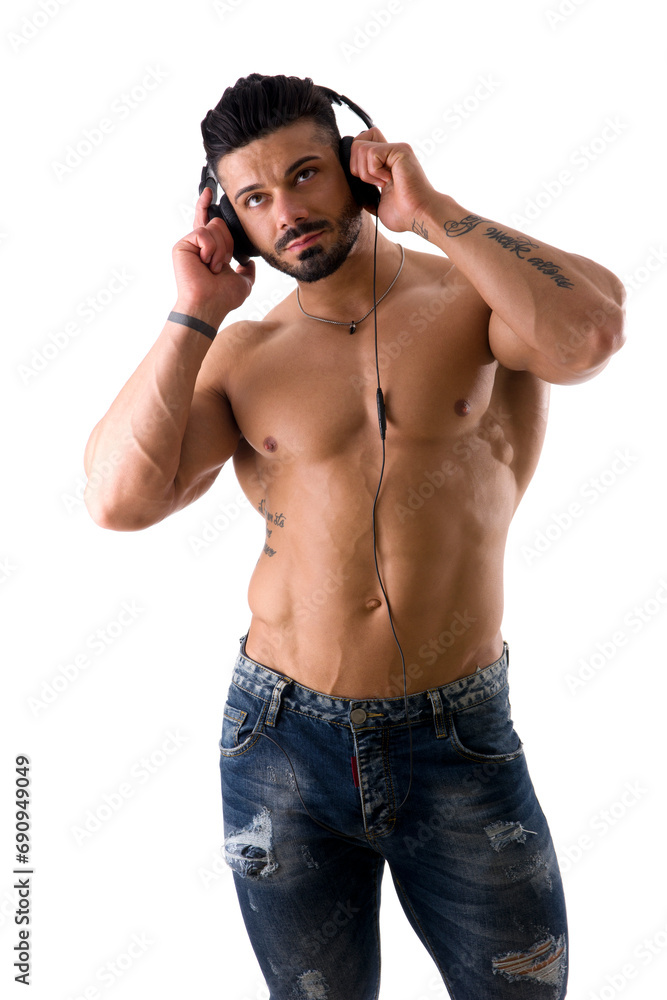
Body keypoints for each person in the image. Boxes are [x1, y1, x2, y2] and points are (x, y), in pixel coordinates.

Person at [83, 73, 625, 999]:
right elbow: (118, 502)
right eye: (254, 198)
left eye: (305, 176)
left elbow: (588, 337)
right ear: (228, 219)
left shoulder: (475, 300)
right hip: (279, 736)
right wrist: (194, 313)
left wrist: (436, 210)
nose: (287, 211)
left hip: (456, 733)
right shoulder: (242, 356)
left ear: (359, 169)